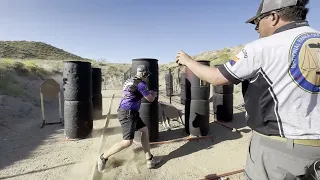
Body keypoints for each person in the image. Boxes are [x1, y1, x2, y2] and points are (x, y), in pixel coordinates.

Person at [175, 0, 320, 179]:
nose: (257, 29)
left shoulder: (262, 47)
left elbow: (216, 78)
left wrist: (188, 61)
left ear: (274, 17)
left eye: (257, 23)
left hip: (278, 150)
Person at [97, 65, 161, 173]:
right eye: (146, 75)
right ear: (143, 74)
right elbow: (150, 99)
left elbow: (134, 92)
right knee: (127, 142)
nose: (147, 77)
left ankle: (149, 159)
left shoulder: (129, 81)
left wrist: (147, 92)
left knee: (144, 130)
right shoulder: (141, 84)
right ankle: (103, 158)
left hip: (129, 112)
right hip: (128, 114)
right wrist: (153, 95)